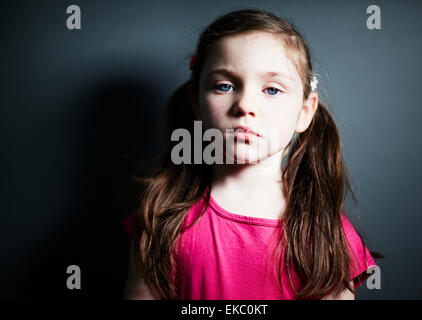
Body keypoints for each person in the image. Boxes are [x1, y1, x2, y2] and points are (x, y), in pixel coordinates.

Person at [122, 8, 380, 300]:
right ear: (196, 103)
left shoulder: (327, 237)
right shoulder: (161, 218)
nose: (244, 104)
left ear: (305, 112)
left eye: (271, 89)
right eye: (225, 86)